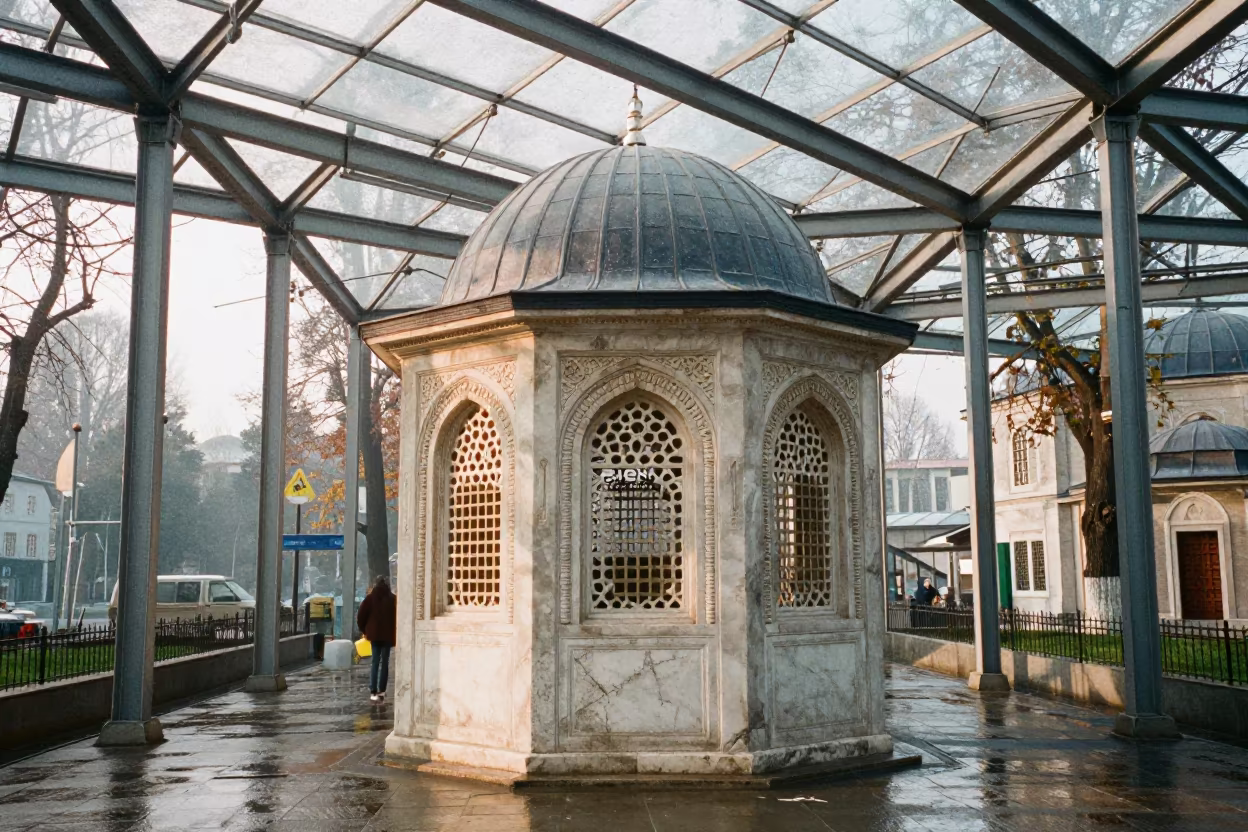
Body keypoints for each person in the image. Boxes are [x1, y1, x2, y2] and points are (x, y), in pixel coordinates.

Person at [356, 576, 397, 703]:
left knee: (375, 661)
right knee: (385, 663)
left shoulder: (370, 599)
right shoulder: (393, 599)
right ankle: (382, 690)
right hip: (387, 636)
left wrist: (365, 630)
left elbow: (360, 616)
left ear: (375, 584)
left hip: (374, 636)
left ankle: (373, 690)